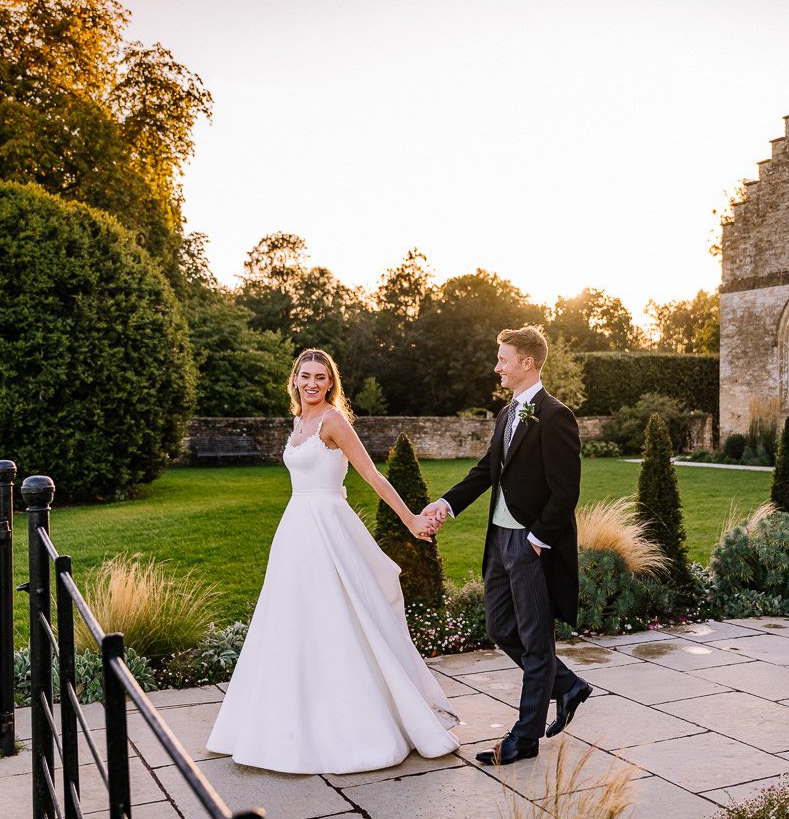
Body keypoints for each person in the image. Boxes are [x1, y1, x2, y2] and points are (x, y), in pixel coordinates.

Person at [206, 348, 458, 774]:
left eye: (320, 377)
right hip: (294, 532)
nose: (312, 383)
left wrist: (411, 518)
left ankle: (352, 725)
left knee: (338, 620)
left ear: (331, 383)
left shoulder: (333, 422)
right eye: (305, 376)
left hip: (328, 528)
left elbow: (373, 475)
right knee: (289, 624)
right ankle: (282, 725)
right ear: (295, 380)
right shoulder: (298, 422)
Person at [423, 325, 592, 766]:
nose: (496, 366)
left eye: (503, 359)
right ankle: (567, 685)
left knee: (537, 643)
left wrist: (537, 540)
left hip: (530, 543)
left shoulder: (555, 415)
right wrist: (446, 504)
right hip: (499, 540)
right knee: (500, 627)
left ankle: (525, 737)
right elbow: (485, 472)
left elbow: (565, 491)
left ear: (527, 363)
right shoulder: (507, 414)